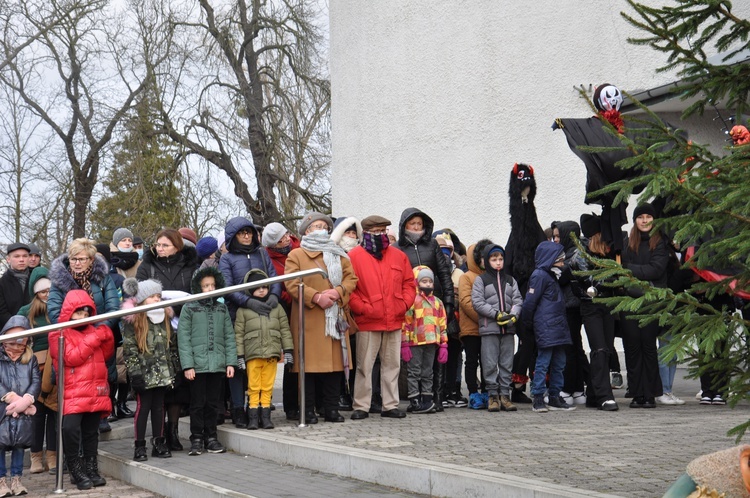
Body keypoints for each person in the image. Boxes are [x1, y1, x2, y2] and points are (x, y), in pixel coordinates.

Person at [284, 212, 358, 424]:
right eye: (316, 226)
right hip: (310, 319)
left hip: (334, 317)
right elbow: (291, 282)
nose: (321, 229)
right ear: (307, 231)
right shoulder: (296, 255)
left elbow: (351, 278)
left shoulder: (339, 254)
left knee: (334, 368)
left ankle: (331, 409)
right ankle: (307, 410)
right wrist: (315, 297)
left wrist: (338, 292)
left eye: (324, 226)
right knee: (308, 368)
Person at [136, 228, 200, 449]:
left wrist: (177, 309)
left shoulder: (191, 265)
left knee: (178, 385)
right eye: (158, 245)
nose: (159, 249)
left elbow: (197, 294)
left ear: (177, 246)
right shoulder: (147, 266)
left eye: (165, 245)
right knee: (160, 384)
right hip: (154, 330)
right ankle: (159, 433)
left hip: (183, 329)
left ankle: (173, 431)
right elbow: (139, 296)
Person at [348, 215, 415, 420]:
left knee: (392, 365)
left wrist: (403, 304)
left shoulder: (398, 256)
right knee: (364, 366)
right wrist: (364, 308)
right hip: (368, 320)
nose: (381, 235)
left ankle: (390, 405)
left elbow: (409, 284)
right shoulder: (353, 256)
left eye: (384, 231)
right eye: (376, 232)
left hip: (393, 318)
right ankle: (361, 405)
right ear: (366, 233)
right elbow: (349, 289)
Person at [219, 217, 281, 428]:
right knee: (239, 364)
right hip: (238, 316)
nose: (246, 235)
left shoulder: (262, 254)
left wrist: (273, 297)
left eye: (249, 231)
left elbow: (273, 278)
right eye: (241, 232)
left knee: (262, 361)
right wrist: (248, 302)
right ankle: (238, 409)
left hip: (264, 314)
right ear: (233, 236)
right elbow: (227, 287)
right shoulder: (226, 259)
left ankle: (260, 408)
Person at [49, 290, 113, 490]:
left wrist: (107, 336)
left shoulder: (92, 330)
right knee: (70, 429)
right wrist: (94, 338)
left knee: (91, 431)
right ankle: (75, 468)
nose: (83, 318)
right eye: (78, 313)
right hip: (73, 391)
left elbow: (106, 354)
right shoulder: (57, 332)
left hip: (95, 388)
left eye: (86, 314)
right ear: (69, 312)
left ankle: (91, 468)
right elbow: (71, 358)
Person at [395, 208, 454, 411]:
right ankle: (414, 398)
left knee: (435, 357)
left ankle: (435, 398)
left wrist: (448, 301)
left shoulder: (432, 245)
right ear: (405, 226)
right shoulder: (398, 248)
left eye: (419, 224)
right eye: (413, 224)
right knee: (414, 361)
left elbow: (445, 273)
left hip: (433, 303)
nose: (416, 227)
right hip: (411, 305)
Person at [177, 266, 236, 454]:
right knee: (197, 403)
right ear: (198, 287)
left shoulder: (221, 309)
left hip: (217, 364)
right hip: (197, 365)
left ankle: (211, 437)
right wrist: (188, 365)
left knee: (213, 403)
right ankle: (196, 438)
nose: (210, 289)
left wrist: (230, 362)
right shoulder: (189, 308)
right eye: (205, 286)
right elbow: (183, 338)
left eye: (212, 285)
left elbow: (229, 336)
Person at [121, 278, 175, 461]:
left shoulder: (164, 317)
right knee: (143, 408)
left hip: (162, 372)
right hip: (144, 373)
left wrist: (172, 369)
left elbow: (170, 346)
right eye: (152, 296)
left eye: (159, 296)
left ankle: (159, 442)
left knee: (159, 408)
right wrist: (135, 373)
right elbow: (130, 349)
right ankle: (139, 445)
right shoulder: (134, 321)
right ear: (143, 299)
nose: (157, 299)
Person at [570, 213, 619, 411]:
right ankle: (604, 395)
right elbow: (587, 280)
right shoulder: (581, 255)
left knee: (606, 349)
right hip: (591, 307)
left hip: (607, 305)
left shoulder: (608, 254)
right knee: (599, 349)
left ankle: (593, 393)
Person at [620, 203, 666, 408]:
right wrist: (636, 274)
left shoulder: (660, 243)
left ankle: (650, 394)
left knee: (648, 345)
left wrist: (630, 269)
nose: (645, 220)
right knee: (631, 346)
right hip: (629, 303)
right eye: (641, 217)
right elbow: (623, 275)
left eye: (648, 216)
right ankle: (637, 393)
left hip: (651, 303)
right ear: (635, 220)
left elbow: (656, 269)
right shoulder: (628, 243)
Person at [235, 270, 292, 430]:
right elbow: (238, 334)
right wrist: (240, 355)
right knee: (253, 386)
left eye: (265, 287)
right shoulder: (243, 310)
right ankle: (253, 417)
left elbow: (285, 330)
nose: (261, 290)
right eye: (257, 287)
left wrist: (288, 350)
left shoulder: (277, 308)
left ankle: (265, 416)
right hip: (252, 354)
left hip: (271, 354)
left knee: (267, 386)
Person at [522, 241, 575, 413]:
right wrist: (528, 323)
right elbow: (530, 302)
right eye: (559, 260)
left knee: (560, 363)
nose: (562, 263)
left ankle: (554, 396)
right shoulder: (539, 275)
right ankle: (537, 397)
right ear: (550, 259)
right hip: (546, 327)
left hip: (558, 327)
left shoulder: (552, 275)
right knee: (543, 363)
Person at [471, 244, 522, 413]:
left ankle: (505, 396)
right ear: (486, 261)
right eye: (494, 259)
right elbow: (478, 302)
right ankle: (493, 396)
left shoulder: (510, 280)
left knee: (507, 363)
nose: (498, 263)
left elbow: (517, 300)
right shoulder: (481, 280)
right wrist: (496, 314)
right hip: (489, 329)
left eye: (500, 259)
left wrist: (513, 315)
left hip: (508, 329)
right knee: (490, 363)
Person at [16, 267, 57, 473]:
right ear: (35, 292)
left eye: (50, 289)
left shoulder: (58, 305)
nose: (47, 295)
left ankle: (52, 454)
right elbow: (16, 338)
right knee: (37, 413)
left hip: (56, 362)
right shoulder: (26, 311)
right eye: (43, 291)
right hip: (34, 366)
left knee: (53, 410)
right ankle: (35, 456)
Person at [262, 222, 301, 421]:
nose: (285, 240)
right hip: (286, 307)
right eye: (280, 239)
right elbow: (275, 283)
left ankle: (308, 402)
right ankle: (291, 406)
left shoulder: (300, 248)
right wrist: (289, 296)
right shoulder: (267, 258)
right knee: (290, 356)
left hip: (305, 304)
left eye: (285, 235)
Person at [0, 315, 41, 497]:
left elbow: (36, 381)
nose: (17, 347)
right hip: (3, 409)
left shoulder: (30, 359)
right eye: (13, 342)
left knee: (19, 444)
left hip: (23, 412)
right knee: (0, 444)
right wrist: (12, 398)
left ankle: (17, 478)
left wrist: (27, 400)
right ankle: (1, 480)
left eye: (21, 343)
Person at [551, 220, 589, 406]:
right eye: (554, 236)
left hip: (571, 307)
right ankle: (578, 388)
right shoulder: (569, 253)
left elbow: (562, 277)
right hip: (569, 306)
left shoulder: (574, 256)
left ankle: (569, 388)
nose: (556, 240)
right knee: (575, 348)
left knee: (570, 349)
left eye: (559, 236)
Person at [330, 216, 365, 411]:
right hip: (341, 308)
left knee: (358, 357)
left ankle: (354, 393)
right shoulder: (333, 253)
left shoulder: (362, 254)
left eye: (354, 233)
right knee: (342, 355)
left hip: (361, 310)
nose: (351, 237)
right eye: (347, 232)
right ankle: (341, 394)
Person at [402, 267, 448, 414]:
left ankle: (427, 399)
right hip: (415, 342)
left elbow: (442, 323)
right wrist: (405, 343)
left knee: (428, 372)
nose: (427, 284)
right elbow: (406, 323)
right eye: (424, 281)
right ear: (417, 282)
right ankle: (414, 401)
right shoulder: (413, 301)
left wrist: (443, 344)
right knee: (414, 371)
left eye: (430, 281)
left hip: (432, 343)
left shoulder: (438, 303)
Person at [47, 238, 120, 330]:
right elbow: (54, 312)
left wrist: (97, 331)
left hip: (100, 334)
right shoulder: (59, 280)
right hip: (70, 337)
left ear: (91, 259)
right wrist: (75, 333)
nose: (77, 263)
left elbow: (113, 308)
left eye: (82, 259)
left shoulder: (103, 277)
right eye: (73, 259)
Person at [458, 240, 494, 405]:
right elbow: (466, 301)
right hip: (471, 328)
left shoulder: (492, 277)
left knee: (488, 360)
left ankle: (487, 391)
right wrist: (484, 319)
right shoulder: (466, 277)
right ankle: (473, 391)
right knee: (472, 360)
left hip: (489, 328)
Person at [434, 231, 467, 408]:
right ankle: (440, 390)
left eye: (447, 250)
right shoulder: (430, 271)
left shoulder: (459, 274)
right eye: (440, 250)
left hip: (454, 322)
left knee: (454, 356)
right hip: (434, 323)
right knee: (438, 358)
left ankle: (454, 389)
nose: (444, 254)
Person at [0, 242, 32, 330]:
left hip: (36, 330)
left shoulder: (36, 279)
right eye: (16, 256)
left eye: (25, 256)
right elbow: (2, 312)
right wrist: (18, 327)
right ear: (8, 259)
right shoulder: (2, 283)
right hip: (10, 332)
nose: (21, 259)